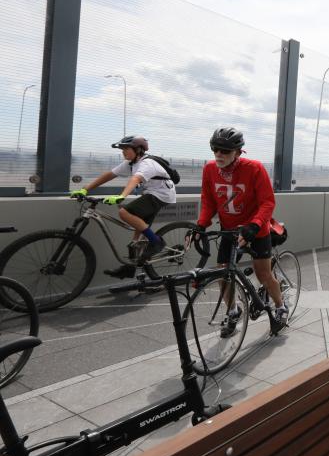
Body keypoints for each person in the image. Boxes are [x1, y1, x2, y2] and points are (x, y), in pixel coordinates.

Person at [196, 127, 287, 335]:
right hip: (229, 230)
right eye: (215, 149)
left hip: (256, 229)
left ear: (237, 152)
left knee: (263, 273)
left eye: (225, 151)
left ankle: (281, 306)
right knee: (223, 274)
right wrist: (201, 224)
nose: (219, 154)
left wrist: (254, 225)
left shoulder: (254, 168)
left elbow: (267, 202)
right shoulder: (209, 169)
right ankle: (233, 310)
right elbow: (208, 200)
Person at [69, 135, 175, 277]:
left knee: (124, 212)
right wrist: (85, 189)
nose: (123, 152)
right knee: (136, 239)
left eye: (126, 149)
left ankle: (157, 242)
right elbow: (109, 175)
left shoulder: (146, 163)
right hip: (150, 193)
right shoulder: (130, 163)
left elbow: (136, 178)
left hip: (161, 194)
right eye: (122, 149)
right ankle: (131, 267)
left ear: (138, 150)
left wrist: (122, 196)